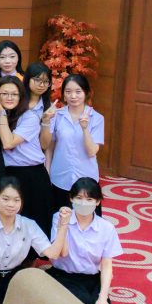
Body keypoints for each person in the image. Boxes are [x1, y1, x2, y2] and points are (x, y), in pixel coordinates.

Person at [48, 178, 123, 304]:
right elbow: (61, 253)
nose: (84, 203)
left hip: (91, 280)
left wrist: (103, 296)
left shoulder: (106, 228)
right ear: (71, 199)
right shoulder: (59, 218)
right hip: (63, 277)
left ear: (98, 202)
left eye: (89, 199)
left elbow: (107, 266)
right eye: (79, 198)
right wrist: (64, 224)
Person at [0, 76, 53, 235]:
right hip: (8, 173)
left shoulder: (29, 117)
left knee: (34, 224)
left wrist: (2, 113)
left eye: (14, 94)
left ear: (21, 96)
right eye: (4, 93)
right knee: (9, 222)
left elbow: (8, 143)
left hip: (32, 175)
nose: (9, 97)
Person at [42, 74, 105, 209]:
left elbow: (92, 151)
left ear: (86, 93)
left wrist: (85, 129)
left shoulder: (96, 118)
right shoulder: (57, 115)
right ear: (64, 95)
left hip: (86, 179)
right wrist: (47, 173)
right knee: (59, 217)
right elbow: (49, 148)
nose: (73, 96)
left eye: (78, 91)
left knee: (85, 217)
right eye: (68, 92)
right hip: (60, 177)